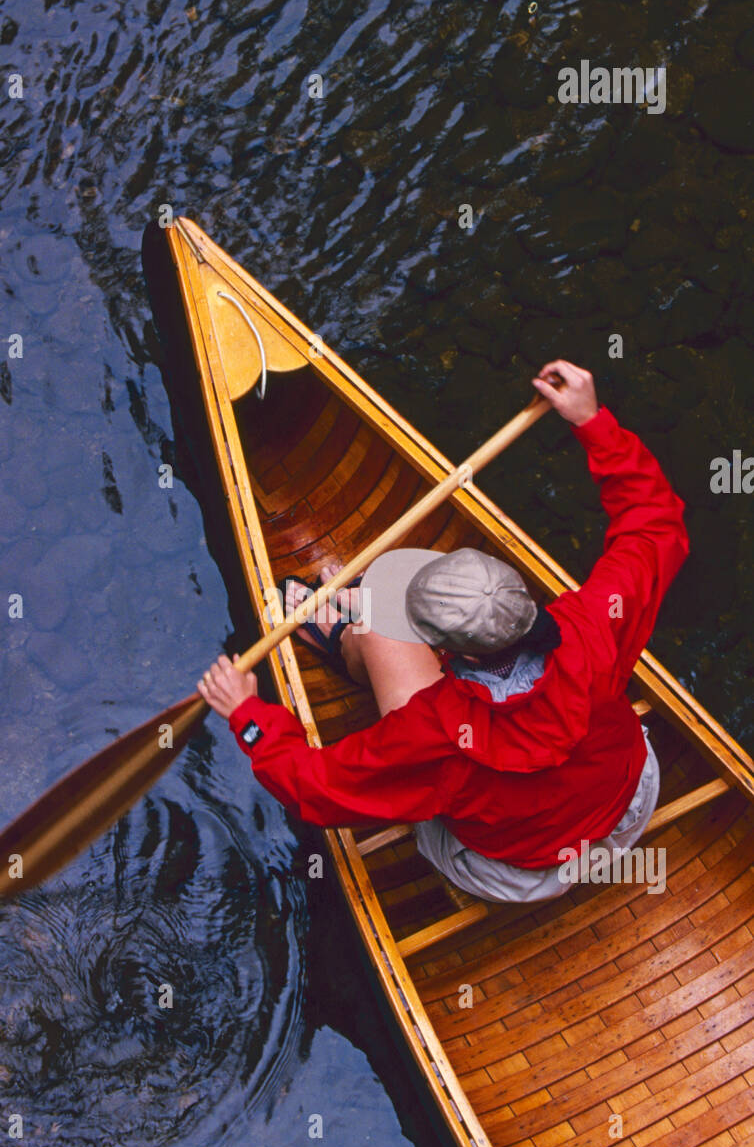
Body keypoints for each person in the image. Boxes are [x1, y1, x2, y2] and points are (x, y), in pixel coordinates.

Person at [197, 361, 689, 904]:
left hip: (523, 873)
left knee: (379, 627)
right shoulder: (596, 625)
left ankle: (349, 639)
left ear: (446, 650)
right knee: (383, 619)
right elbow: (654, 523)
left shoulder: (431, 736)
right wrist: (593, 421)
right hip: (629, 809)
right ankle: (350, 632)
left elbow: (315, 790)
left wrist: (247, 718)